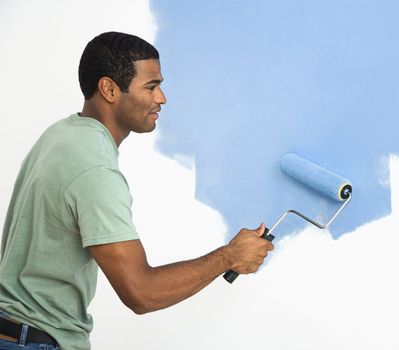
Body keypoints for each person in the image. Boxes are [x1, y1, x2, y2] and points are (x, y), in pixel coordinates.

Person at [0, 31, 274, 349]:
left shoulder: (64, 134)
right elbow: (141, 293)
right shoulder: (94, 169)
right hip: (34, 341)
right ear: (110, 89)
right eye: (151, 86)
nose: (162, 98)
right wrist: (229, 256)